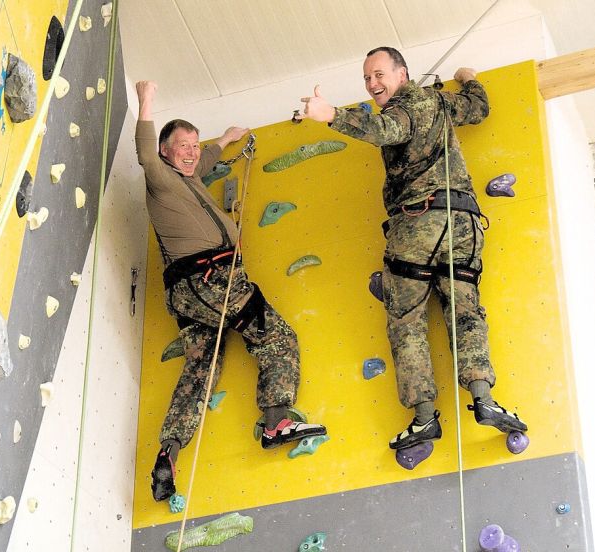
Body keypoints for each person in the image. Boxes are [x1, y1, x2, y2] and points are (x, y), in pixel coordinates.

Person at [297, 47, 527, 451]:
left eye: (379, 74)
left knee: (406, 321)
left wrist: (330, 114)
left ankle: (423, 419)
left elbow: (385, 130)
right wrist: (469, 76)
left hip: (418, 223)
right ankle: (485, 400)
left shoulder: (404, 107)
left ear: (403, 74)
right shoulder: (440, 101)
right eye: (367, 78)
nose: (372, 84)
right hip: (464, 224)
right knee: (466, 311)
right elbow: (477, 107)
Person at [135, 80, 326, 502]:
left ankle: (168, 452)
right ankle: (276, 419)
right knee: (276, 337)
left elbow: (203, 161)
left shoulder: (189, 179)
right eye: (180, 145)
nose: (189, 150)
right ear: (165, 153)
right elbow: (145, 154)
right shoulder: (160, 180)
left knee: (200, 372)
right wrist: (147, 102)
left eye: (192, 143)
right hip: (210, 282)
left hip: (193, 296)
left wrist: (222, 140)